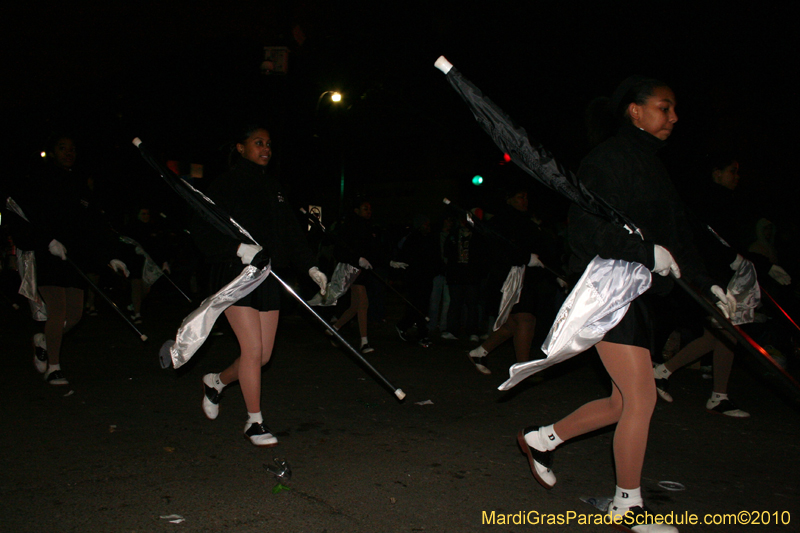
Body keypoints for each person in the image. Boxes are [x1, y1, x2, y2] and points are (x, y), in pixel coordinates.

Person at [518, 77, 732, 532]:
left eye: (674, 109)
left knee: (622, 401)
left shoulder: (654, 167)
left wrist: (709, 285)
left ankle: (541, 439)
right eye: (664, 107)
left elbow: (677, 237)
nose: (673, 117)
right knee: (641, 396)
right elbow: (585, 230)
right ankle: (627, 506)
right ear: (634, 111)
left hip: (638, 293)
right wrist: (643, 252)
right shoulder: (608, 159)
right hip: (606, 289)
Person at [191, 124, 327, 446]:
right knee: (252, 350)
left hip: (267, 276)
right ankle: (254, 422)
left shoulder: (274, 188)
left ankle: (216, 383)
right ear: (240, 147)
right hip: (235, 275)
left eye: (268, 144)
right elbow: (202, 226)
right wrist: (237, 249)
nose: (266, 148)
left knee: (263, 356)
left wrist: (310, 266)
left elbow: (292, 233)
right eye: (258, 143)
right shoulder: (226, 184)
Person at [13, 134, 127, 386]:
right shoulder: (40, 178)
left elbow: (95, 223)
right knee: (58, 310)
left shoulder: (80, 183)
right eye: (62, 148)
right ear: (52, 152)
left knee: (74, 315)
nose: (68, 152)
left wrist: (111, 254)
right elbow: (28, 216)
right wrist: (47, 240)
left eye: (72, 149)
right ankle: (54, 366)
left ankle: (43, 341)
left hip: (75, 257)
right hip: (49, 254)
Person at [468, 185, 553, 374]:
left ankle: (480, 352)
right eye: (520, 196)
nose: (525, 200)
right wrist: (524, 258)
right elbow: (498, 251)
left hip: (525, 278)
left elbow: (540, 249)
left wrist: (555, 274)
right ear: (509, 199)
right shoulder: (501, 222)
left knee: (513, 323)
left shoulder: (525, 222)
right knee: (525, 320)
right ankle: (522, 369)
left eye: (526, 197)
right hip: (508, 279)